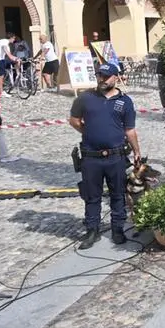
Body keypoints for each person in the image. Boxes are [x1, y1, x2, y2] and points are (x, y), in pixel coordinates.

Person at [69, 62, 141, 249]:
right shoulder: (85, 98)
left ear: (116, 78)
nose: (102, 79)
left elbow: (130, 130)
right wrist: (89, 132)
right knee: (91, 195)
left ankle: (117, 228)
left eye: (106, 76)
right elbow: (74, 121)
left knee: (118, 194)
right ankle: (92, 229)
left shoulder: (125, 102)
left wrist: (137, 151)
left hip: (115, 157)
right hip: (91, 157)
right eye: (99, 75)